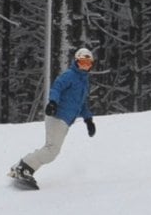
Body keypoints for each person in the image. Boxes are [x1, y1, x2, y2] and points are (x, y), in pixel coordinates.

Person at [10, 46, 96, 187]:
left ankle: (23, 167)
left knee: (51, 149)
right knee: (52, 150)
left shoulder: (84, 82)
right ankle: (23, 168)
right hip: (57, 115)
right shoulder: (70, 75)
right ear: (76, 62)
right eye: (82, 63)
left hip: (65, 120)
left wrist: (88, 119)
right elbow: (57, 88)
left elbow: (82, 103)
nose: (84, 67)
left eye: (88, 64)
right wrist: (53, 102)